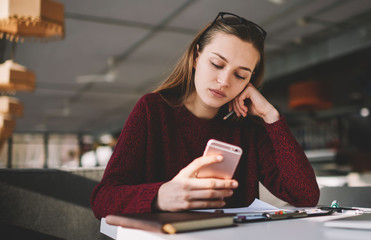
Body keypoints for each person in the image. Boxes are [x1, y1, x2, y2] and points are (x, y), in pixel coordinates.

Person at [90, 12, 319, 219]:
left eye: (240, 75)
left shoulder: (247, 127)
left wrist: (271, 118)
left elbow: (305, 196)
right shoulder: (153, 110)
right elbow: (103, 200)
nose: (224, 81)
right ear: (196, 56)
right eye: (217, 64)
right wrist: (161, 195)